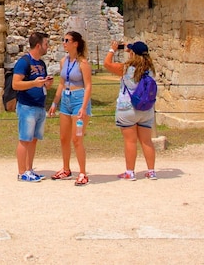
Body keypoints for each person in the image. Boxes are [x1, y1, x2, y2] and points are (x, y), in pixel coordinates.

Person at [103, 40, 157, 181]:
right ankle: (151, 171)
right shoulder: (150, 70)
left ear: (133, 53)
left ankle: (130, 172)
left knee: (130, 141)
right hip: (146, 109)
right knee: (147, 141)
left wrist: (112, 50)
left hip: (128, 108)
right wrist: (132, 49)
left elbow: (107, 64)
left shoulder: (126, 68)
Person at [48, 31, 93, 186]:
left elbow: (88, 86)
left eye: (67, 40)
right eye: (63, 40)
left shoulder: (83, 63)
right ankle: (66, 169)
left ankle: (82, 172)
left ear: (76, 43)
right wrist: (54, 102)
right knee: (63, 137)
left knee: (77, 139)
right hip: (66, 100)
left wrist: (83, 106)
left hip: (78, 99)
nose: (64, 43)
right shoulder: (63, 61)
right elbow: (61, 83)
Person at [12, 32, 54, 182]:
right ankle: (22, 172)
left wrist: (46, 84)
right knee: (24, 139)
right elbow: (16, 84)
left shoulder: (41, 64)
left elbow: (42, 84)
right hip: (26, 106)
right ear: (38, 45)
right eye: (46, 44)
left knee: (34, 139)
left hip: (39, 106)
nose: (47, 47)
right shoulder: (24, 62)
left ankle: (29, 169)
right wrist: (34, 83)